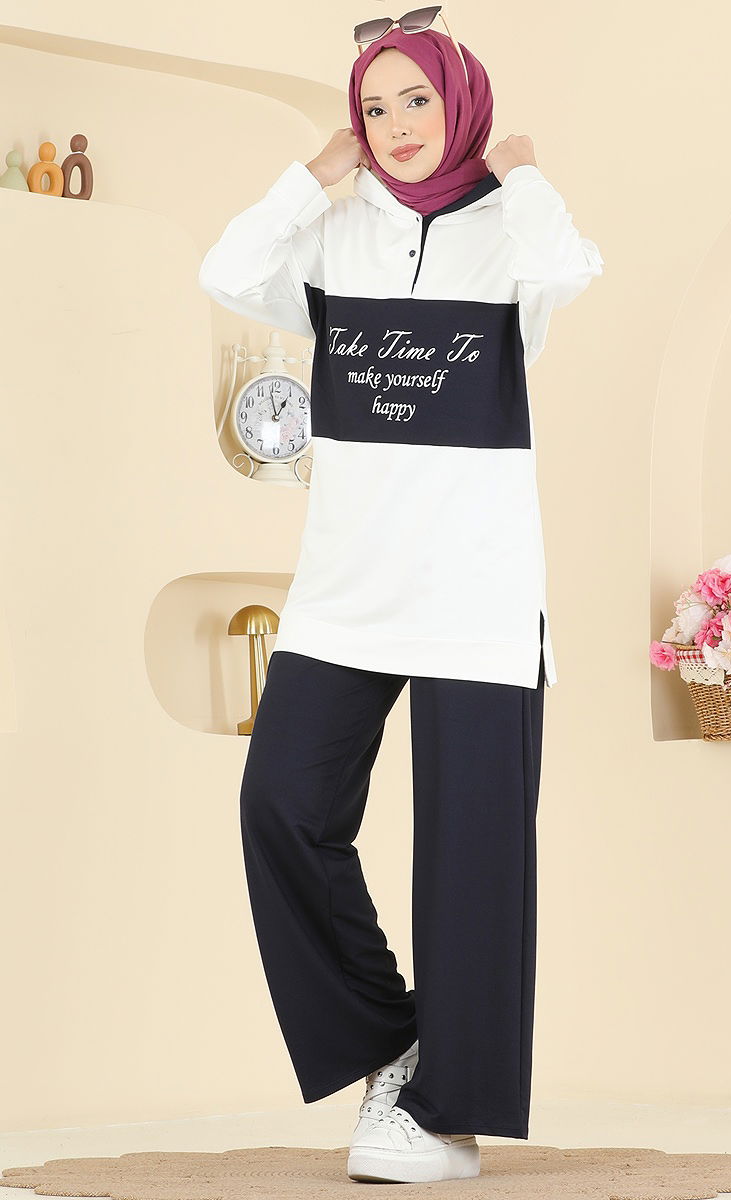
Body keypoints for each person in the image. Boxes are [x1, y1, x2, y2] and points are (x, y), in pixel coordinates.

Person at [198, 13, 603, 1186]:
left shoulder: (508, 235)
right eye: (372, 108)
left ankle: (443, 1118)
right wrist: (310, 173)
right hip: (346, 589)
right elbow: (227, 271)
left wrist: (521, 172)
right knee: (282, 806)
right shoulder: (336, 235)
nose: (393, 126)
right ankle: (395, 1043)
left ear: (460, 101)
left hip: (476, 591)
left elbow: (566, 268)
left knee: (470, 856)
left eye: (415, 100)